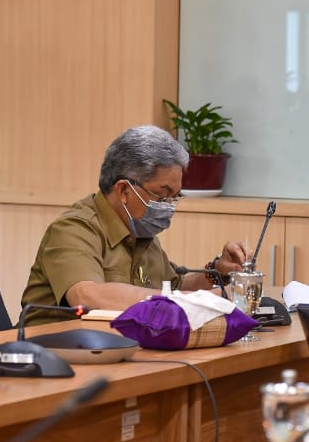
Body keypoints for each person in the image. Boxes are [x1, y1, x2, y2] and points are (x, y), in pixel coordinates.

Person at [21, 126, 250, 326]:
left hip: (117, 350)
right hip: (52, 357)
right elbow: (87, 295)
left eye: (174, 197)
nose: (168, 207)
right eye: (162, 196)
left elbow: (175, 286)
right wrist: (197, 301)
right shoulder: (74, 228)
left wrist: (216, 271)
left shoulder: (140, 230)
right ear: (123, 190)